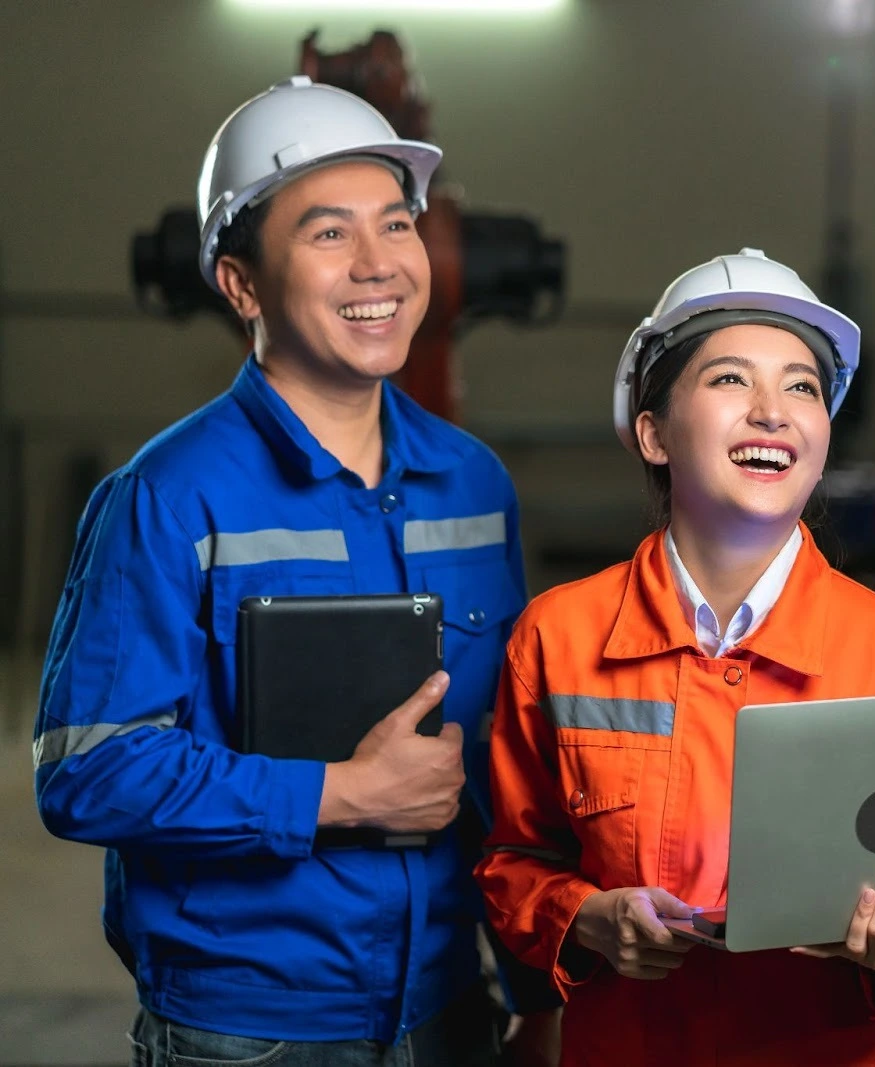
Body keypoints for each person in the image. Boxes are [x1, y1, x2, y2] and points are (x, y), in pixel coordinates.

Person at [33, 77, 553, 1065]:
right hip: (250, 1027)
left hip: (452, 1007)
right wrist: (340, 794)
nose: (378, 266)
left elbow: (502, 762)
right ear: (240, 284)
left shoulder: (471, 484)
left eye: (395, 225)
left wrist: (533, 987)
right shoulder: (167, 497)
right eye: (326, 234)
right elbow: (88, 771)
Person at [476, 248, 875, 1065]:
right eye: (728, 380)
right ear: (652, 432)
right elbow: (514, 863)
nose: (772, 411)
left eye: (801, 386)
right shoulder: (559, 636)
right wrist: (585, 920)